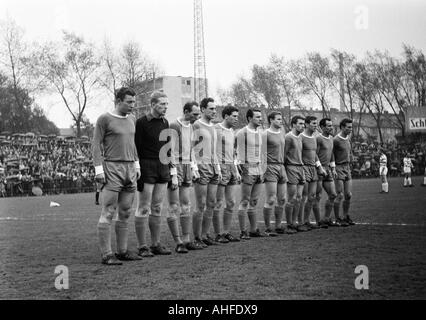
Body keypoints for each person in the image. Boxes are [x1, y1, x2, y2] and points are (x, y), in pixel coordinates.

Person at [92, 87, 142, 265]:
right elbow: (96, 145)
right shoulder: (104, 119)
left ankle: (122, 251)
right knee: (108, 211)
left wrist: (136, 164)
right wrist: (98, 169)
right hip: (112, 167)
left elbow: (132, 143)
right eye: (129, 102)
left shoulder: (132, 119)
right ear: (118, 101)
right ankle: (107, 254)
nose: (132, 106)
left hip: (130, 168)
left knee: (126, 211)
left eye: (133, 102)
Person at [135, 91, 185, 257]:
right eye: (162, 104)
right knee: (143, 207)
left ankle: (155, 244)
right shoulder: (141, 123)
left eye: (166, 104)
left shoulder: (165, 122)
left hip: (162, 166)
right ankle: (142, 246)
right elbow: (136, 148)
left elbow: (168, 149)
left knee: (157, 207)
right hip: (146, 166)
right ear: (153, 104)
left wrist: (172, 171)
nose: (165, 107)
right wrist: (138, 169)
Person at [167, 101, 204, 251]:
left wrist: (194, 168)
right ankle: (178, 243)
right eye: (195, 114)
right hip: (176, 166)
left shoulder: (193, 127)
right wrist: (173, 173)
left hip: (188, 165)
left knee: (186, 205)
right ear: (186, 111)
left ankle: (187, 240)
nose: (197, 116)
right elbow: (169, 151)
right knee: (174, 205)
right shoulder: (174, 126)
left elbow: (191, 150)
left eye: (198, 114)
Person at [192, 98, 222, 247]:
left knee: (211, 202)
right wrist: (194, 167)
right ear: (203, 109)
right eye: (211, 108)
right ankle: (196, 237)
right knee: (201, 204)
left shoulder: (214, 127)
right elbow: (190, 148)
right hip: (202, 166)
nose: (214, 111)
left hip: (213, 167)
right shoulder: (196, 125)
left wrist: (218, 167)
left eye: (215, 108)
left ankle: (205, 235)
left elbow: (214, 149)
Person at [236, 108, 267, 239]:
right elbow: (239, 153)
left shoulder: (260, 132)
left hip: (259, 169)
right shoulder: (242, 132)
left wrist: (262, 169)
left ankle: (254, 229)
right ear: (249, 118)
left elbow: (261, 152)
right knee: (244, 201)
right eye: (257, 117)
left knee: (254, 201)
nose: (260, 119)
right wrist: (245, 169)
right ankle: (243, 231)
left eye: (261, 117)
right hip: (248, 169)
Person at [212, 106, 241, 243]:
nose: (236, 119)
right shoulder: (216, 129)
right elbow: (212, 151)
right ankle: (218, 234)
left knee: (231, 202)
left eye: (237, 116)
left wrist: (235, 170)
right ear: (226, 116)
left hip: (231, 167)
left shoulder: (232, 131)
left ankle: (226, 232)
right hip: (220, 168)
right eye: (234, 116)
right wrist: (217, 168)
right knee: (218, 203)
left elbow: (233, 153)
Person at [262, 112, 293, 235]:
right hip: (270, 167)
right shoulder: (265, 134)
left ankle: (279, 226)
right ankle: (268, 228)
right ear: (271, 120)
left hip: (281, 167)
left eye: (281, 119)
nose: (281, 121)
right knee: (271, 199)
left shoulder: (282, 132)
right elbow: (262, 153)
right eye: (278, 119)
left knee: (282, 198)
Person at [299, 116, 327, 229]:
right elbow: (297, 153)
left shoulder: (315, 137)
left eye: (316, 123)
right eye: (313, 123)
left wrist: (319, 167)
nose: (316, 125)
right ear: (306, 124)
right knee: (303, 196)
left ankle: (306, 221)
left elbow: (314, 154)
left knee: (312, 196)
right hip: (304, 168)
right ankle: (300, 222)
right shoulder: (300, 137)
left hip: (313, 169)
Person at [284, 115, 309, 232]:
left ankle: (295, 223)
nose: (302, 126)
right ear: (293, 124)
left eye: (303, 124)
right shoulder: (288, 137)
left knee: (299, 198)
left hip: (300, 168)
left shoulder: (300, 137)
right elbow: (283, 156)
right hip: (291, 168)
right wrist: (284, 171)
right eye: (300, 124)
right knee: (292, 198)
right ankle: (289, 224)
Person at [316, 118, 339, 227]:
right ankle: (318, 221)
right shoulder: (318, 138)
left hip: (328, 169)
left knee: (333, 194)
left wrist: (333, 168)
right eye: (329, 126)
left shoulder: (331, 138)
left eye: (331, 125)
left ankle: (326, 218)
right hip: (318, 170)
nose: (331, 127)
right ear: (322, 127)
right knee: (317, 196)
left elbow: (332, 154)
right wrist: (319, 167)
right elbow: (314, 154)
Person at [333, 118, 355, 226]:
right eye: (348, 127)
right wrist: (333, 168)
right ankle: (337, 219)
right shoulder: (336, 140)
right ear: (342, 127)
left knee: (348, 195)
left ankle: (346, 216)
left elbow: (348, 151)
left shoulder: (348, 137)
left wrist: (351, 157)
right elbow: (331, 154)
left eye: (351, 127)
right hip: (338, 168)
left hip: (347, 168)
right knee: (340, 195)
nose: (350, 129)